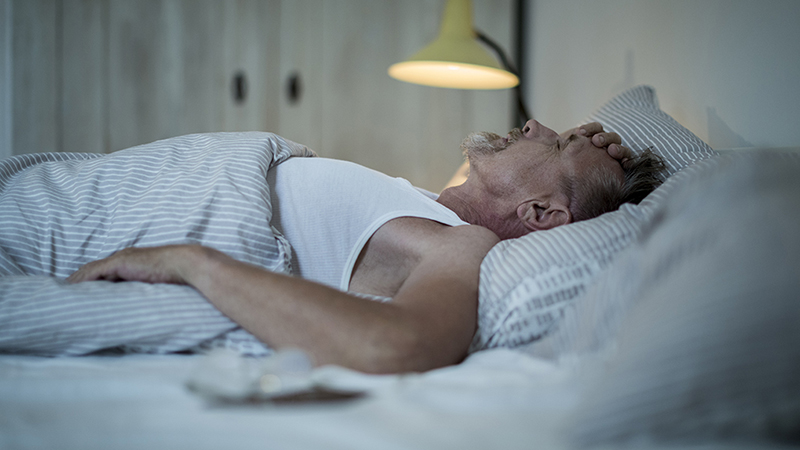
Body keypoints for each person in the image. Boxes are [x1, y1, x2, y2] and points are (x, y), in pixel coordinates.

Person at [66, 120, 665, 374]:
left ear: (539, 214)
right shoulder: (423, 200)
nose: (534, 125)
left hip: (94, 226)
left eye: (555, 142)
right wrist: (576, 158)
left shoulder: (462, 244)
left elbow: (401, 343)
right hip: (79, 191)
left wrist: (191, 261)